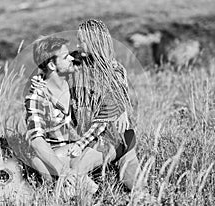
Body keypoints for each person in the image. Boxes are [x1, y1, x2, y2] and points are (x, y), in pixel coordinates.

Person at [31, 19, 140, 190]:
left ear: (93, 41)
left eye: (81, 40)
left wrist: (121, 109)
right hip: (90, 135)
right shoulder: (78, 60)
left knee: (128, 177)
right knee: (44, 162)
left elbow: (111, 110)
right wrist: (40, 79)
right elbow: (53, 66)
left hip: (111, 135)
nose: (78, 44)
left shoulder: (114, 71)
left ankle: (103, 195)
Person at [11, 35, 98, 195]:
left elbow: (107, 65)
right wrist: (62, 169)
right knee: (41, 161)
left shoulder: (76, 76)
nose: (71, 57)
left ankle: (74, 184)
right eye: (65, 57)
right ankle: (78, 186)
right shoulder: (37, 97)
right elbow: (36, 139)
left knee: (115, 141)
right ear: (51, 64)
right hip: (60, 152)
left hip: (84, 144)